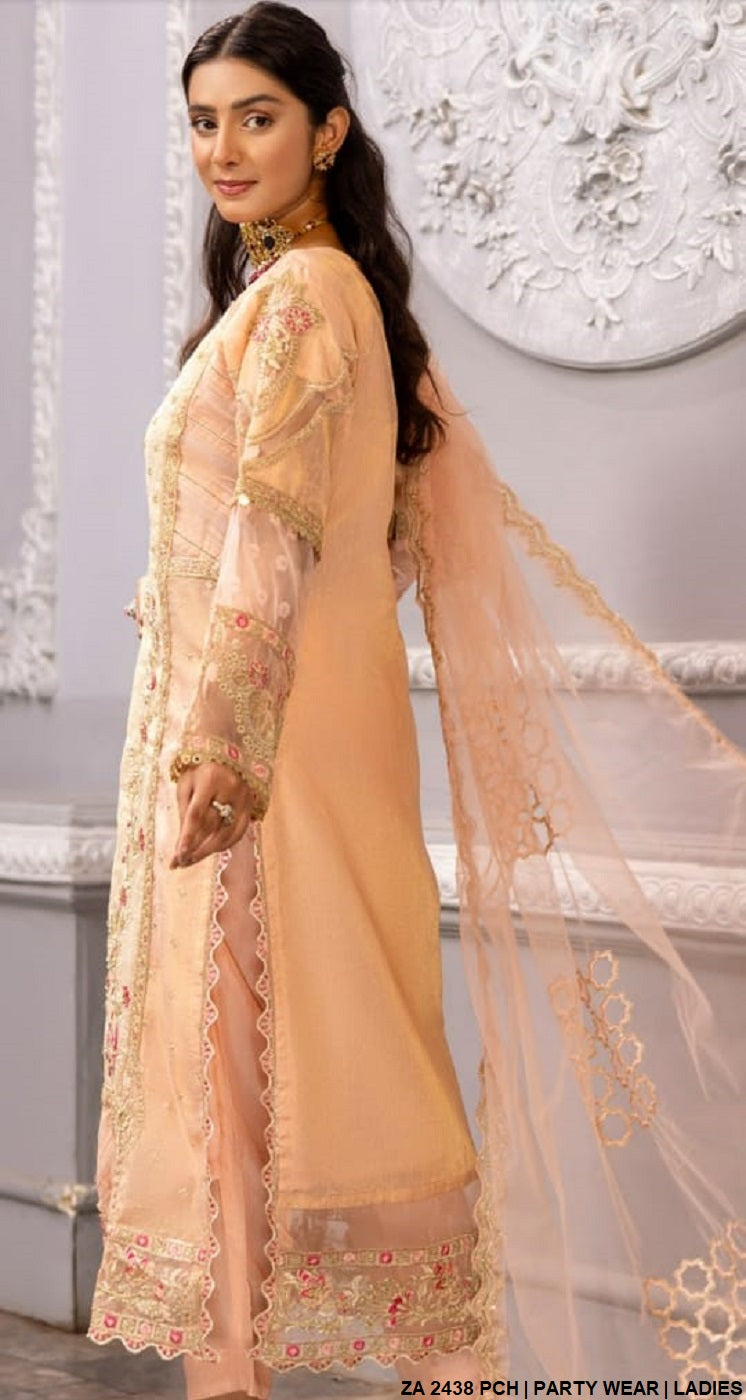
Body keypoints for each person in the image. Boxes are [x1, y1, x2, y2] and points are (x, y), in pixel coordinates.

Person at [86, 4, 746, 1397]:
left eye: (257, 116)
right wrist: (188, 626)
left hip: (256, 765)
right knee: (275, 1082)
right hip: (274, 736)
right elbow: (369, 544)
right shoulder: (312, 301)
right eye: (202, 122)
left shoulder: (306, 299)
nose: (223, 148)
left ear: (326, 130)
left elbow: (276, 530)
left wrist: (224, 741)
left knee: (255, 1079)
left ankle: (285, 1377)